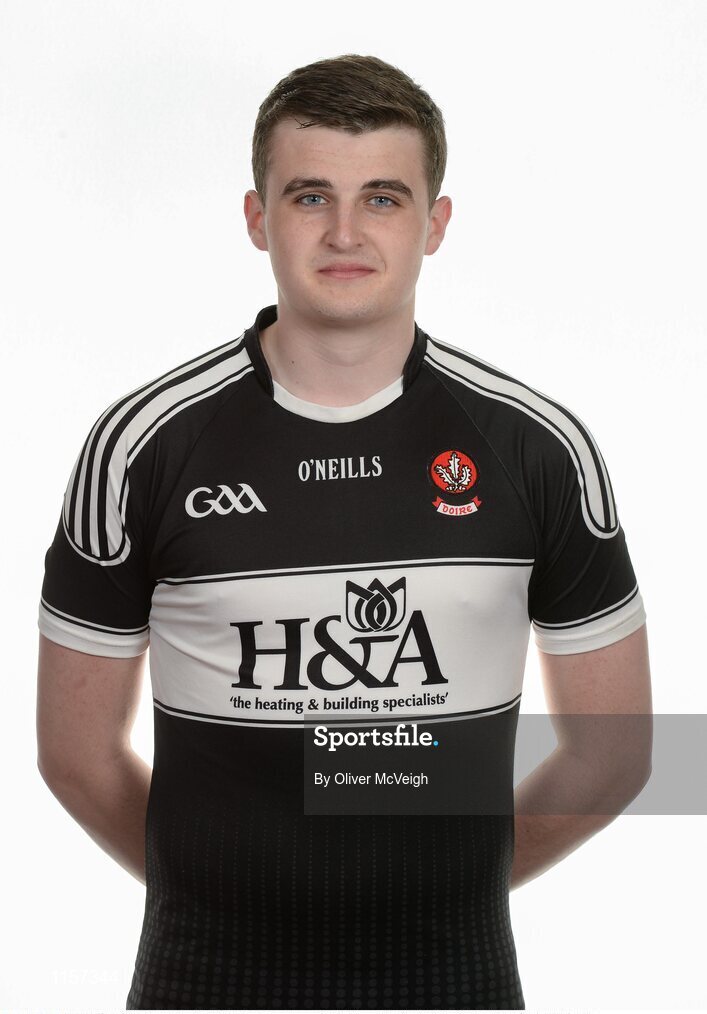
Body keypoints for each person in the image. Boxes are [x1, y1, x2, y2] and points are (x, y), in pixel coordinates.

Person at [36, 54, 652, 1011]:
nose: (344, 232)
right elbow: (73, 754)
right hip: (204, 980)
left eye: (384, 198)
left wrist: (448, 891)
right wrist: (221, 899)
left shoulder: (537, 449)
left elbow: (615, 752)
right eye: (310, 194)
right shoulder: (141, 447)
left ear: (434, 225)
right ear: (257, 217)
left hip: (456, 980)